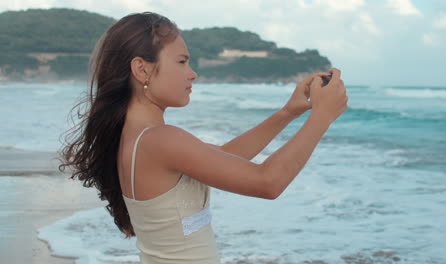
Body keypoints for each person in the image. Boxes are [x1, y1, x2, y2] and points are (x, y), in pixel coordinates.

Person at [60, 12, 347, 264]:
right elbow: (268, 182)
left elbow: (225, 157)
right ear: (142, 68)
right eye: (182, 62)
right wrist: (322, 116)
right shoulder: (160, 139)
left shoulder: (139, 137)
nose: (193, 74)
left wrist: (287, 112)